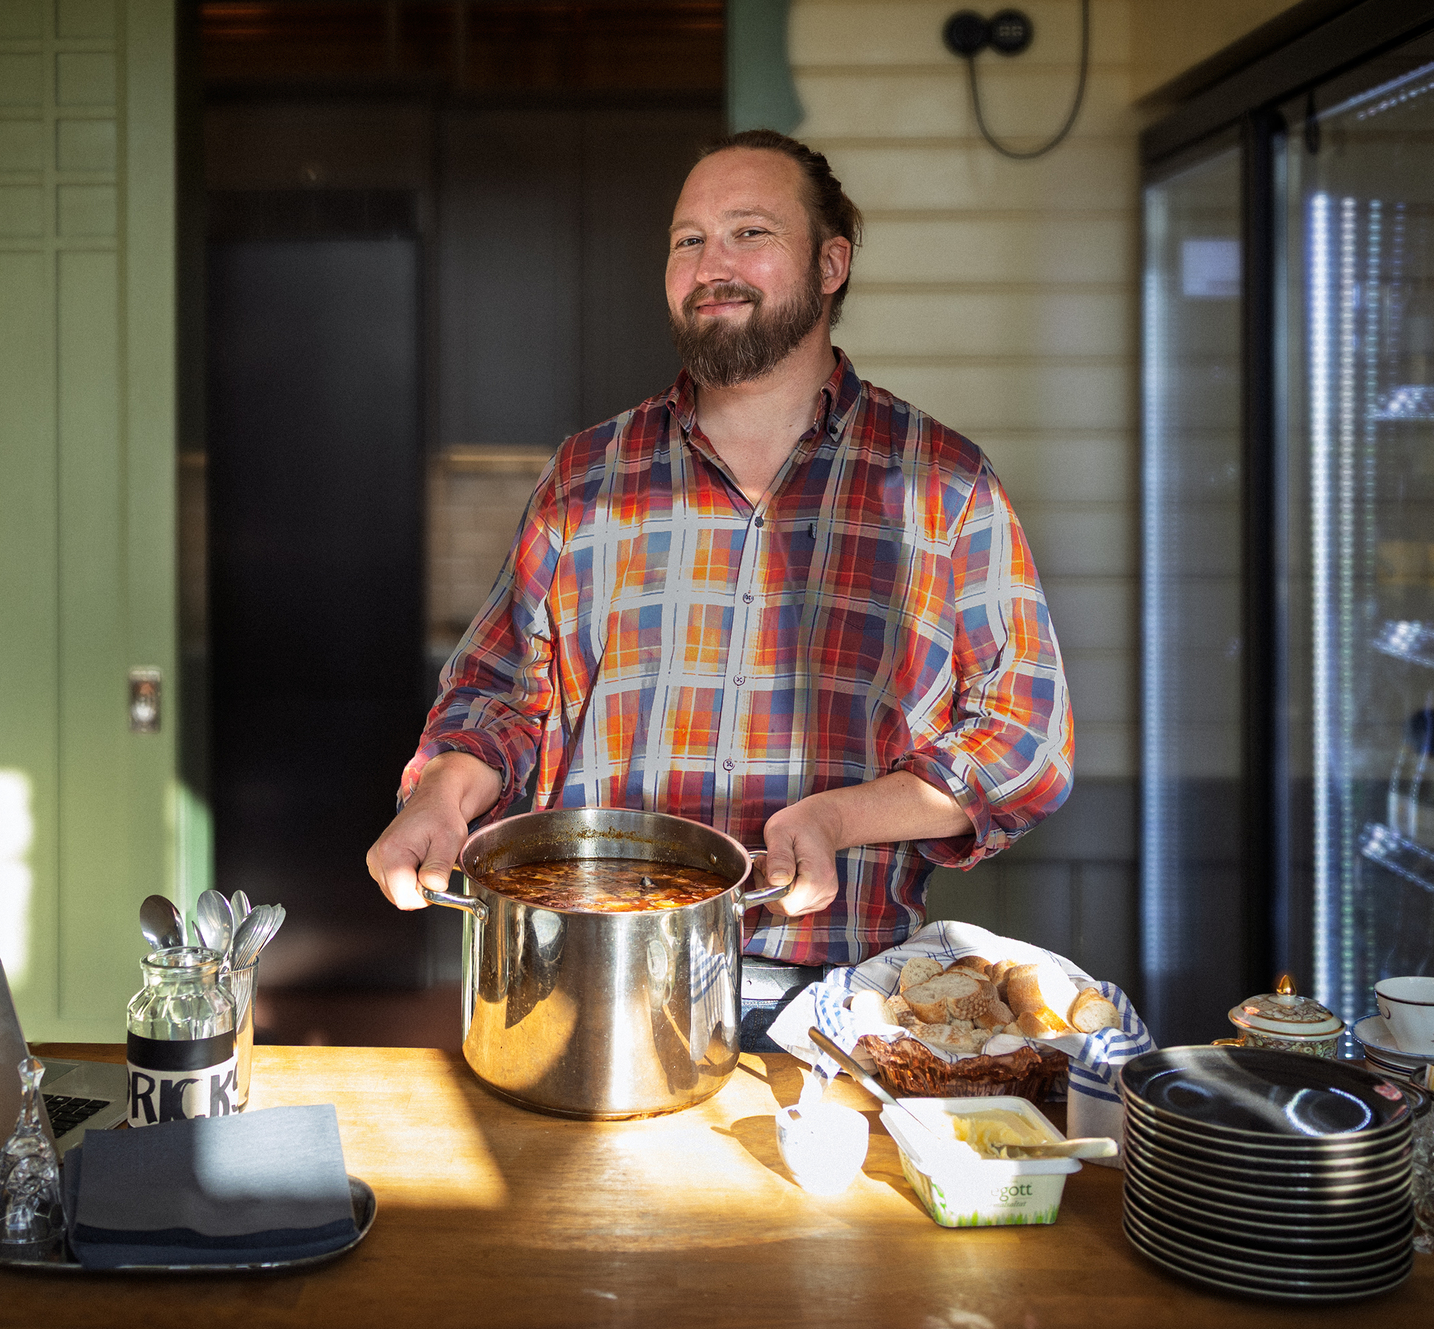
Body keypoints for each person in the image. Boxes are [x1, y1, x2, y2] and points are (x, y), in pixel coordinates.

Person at [366, 129, 1073, 1049]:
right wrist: (439, 798)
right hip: (592, 978)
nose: (712, 265)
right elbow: (503, 693)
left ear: (830, 264)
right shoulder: (588, 475)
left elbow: (1025, 738)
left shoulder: (942, 483)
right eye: (688, 239)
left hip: (840, 1004)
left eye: (749, 233)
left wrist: (837, 818)